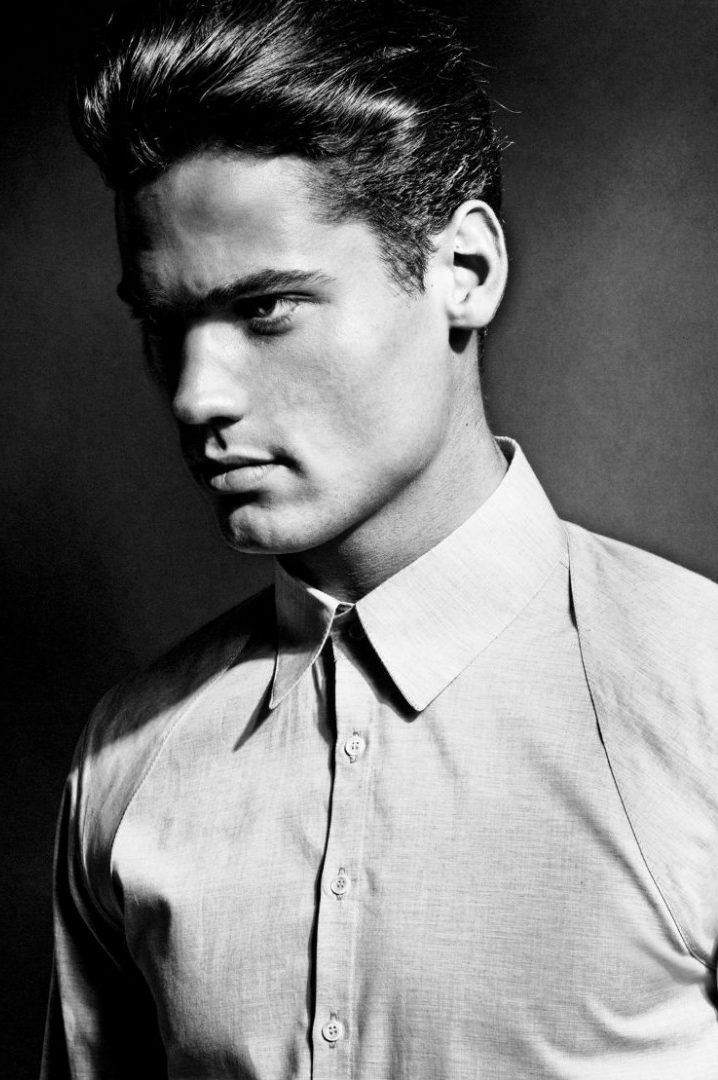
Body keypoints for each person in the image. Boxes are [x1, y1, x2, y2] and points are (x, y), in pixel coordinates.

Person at [41, 0, 718, 1076]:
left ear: (463, 271)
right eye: (163, 325)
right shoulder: (128, 758)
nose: (195, 394)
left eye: (265, 309)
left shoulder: (696, 692)